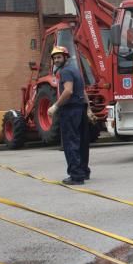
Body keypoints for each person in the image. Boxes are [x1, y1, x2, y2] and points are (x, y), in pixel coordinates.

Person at [46, 45, 90, 185]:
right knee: (82, 142)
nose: (57, 60)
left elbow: (68, 91)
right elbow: (82, 92)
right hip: (81, 108)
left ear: (65, 57)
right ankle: (84, 171)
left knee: (71, 143)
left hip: (70, 111)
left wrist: (55, 106)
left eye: (59, 57)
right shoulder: (75, 70)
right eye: (55, 58)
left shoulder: (65, 72)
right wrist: (88, 109)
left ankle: (76, 176)